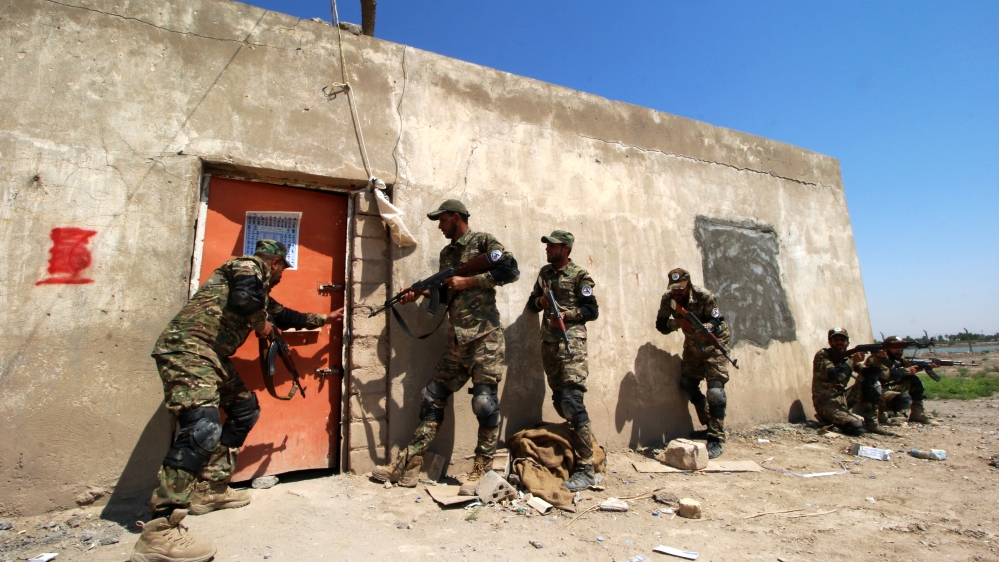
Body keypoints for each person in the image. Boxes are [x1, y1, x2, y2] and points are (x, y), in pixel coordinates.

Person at [132, 240, 343, 562]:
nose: (281, 276)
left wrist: (325, 319)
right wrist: (261, 325)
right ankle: (159, 532)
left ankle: (210, 488)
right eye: (283, 270)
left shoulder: (260, 294)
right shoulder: (247, 266)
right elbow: (244, 298)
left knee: (245, 409)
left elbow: (283, 315)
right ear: (273, 263)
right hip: (189, 349)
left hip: (213, 357)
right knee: (202, 427)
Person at [371, 200, 519, 494]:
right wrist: (420, 293)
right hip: (457, 341)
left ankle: (481, 469)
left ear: (455, 217)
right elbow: (444, 291)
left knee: (484, 403)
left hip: (485, 339)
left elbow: (510, 270)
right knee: (431, 396)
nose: (439, 226)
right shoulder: (446, 253)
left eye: (442, 220)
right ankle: (409, 464)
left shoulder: (483, 241)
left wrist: (469, 281)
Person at [526, 230, 601, 491]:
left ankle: (586, 469)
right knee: (560, 401)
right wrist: (541, 300)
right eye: (547, 245)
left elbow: (592, 311)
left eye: (553, 246)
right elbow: (531, 304)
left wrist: (567, 315)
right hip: (549, 344)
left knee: (571, 400)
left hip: (572, 344)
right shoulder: (545, 274)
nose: (548, 249)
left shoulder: (581, 276)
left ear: (566, 249)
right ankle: (585, 447)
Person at [655, 268, 731, 459]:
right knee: (687, 384)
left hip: (715, 342)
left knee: (715, 390)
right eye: (674, 288)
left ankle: (716, 438)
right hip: (692, 343)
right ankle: (709, 423)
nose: (677, 292)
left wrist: (707, 327)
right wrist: (678, 324)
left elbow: (717, 319)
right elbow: (661, 325)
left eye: (680, 288)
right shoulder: (668, 299)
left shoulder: (704, 296)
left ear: (689, 285)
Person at [811, 328, 867, 436]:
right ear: (830, 342)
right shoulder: (823, 355)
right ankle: (830, 420)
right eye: (836, 340)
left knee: (869, 383)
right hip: (827, 403)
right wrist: (852, 361)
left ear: (847, 342)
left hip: (842, 399)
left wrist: (879, 359)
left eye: (842, 340)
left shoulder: (848, 357)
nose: (839, 342)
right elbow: (834, 375)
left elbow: (868, 373)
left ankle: (872, 421)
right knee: (858, 428)